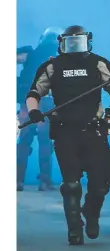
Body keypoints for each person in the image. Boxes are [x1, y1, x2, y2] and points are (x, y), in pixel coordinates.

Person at [24, 26, 110, 245]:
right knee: (71, 185)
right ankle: (74, 229)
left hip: (95, 132)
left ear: (88, 41)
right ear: (61, 43)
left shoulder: (99, 63)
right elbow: (34, 93)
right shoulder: (51, 66)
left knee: (99, 185)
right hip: (65, 133)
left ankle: (91, 213)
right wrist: (33, 111)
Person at [17, 28, 61, 192]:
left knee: (24, 142)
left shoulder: (30, 54)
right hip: (47, 104)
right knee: (45, 143)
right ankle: (45, 181)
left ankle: (17, 181)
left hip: (27, 104)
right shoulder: (58, 58)